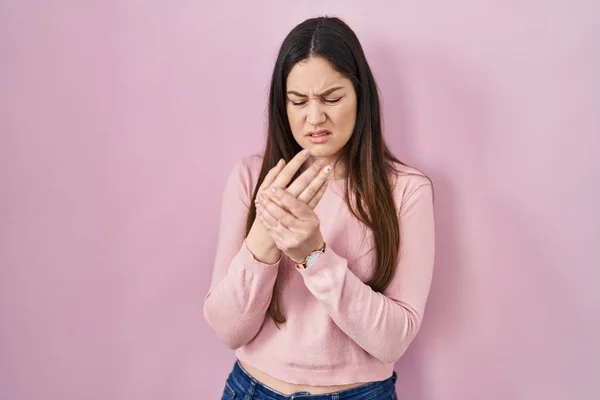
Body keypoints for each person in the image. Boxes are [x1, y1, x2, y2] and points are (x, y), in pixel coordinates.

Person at [203, 16, 435, 400]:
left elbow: (393, 341)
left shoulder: (406, 191)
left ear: (361, 97)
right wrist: (265, 234)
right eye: (298, 101)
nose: (314, 117)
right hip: (252, 389)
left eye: (331, 99)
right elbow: (228, 330)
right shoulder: (250, 178)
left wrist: (313, 255)